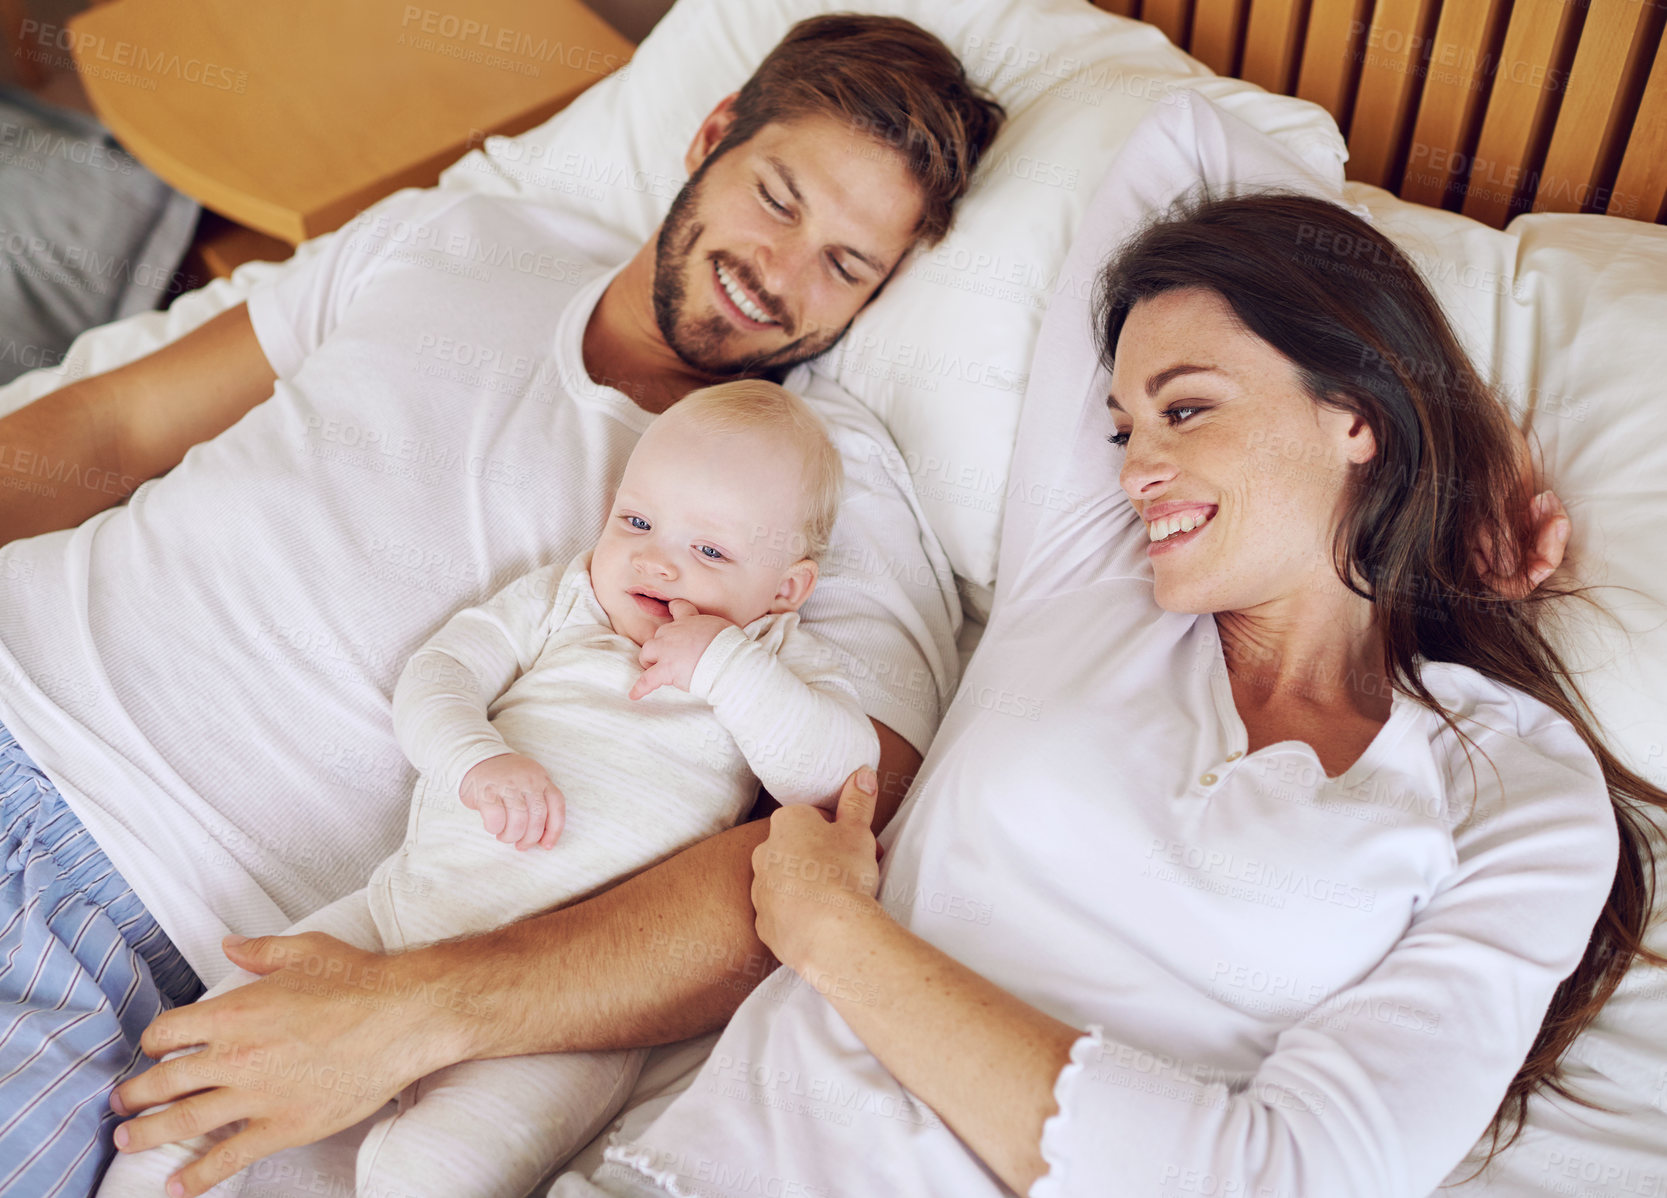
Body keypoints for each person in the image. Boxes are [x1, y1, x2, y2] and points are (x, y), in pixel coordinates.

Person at [521, 95, 1658, 1198]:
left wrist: (834, 938)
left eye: (1187, 408)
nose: (1130, 468)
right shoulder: (1091, 580)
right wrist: (1463, 428)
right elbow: (1179, 140)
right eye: (1121, 426)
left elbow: (1292, 1178)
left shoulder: (1518, 789)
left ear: (1353, 414)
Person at [0, 15, 1003, 1197]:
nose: (777, 273)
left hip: (127, 916)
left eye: (846, 265)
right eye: (777, 198)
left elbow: (837, 843)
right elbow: (111, 428)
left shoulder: (822, 489)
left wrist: (424, 1012)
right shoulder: (467, 232)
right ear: (711, 135)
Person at [98, 381, 880, 1198]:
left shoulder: (777, 663)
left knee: (434, 1172)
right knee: (199, 1066)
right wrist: (475, 758)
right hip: (399, 910)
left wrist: (723, 665)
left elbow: (836, 778)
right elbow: (438, 675)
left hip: (569, 1012)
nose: (658, 560)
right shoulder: (563, 599)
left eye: (711, 552)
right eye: (637, 523)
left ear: (787, 590)